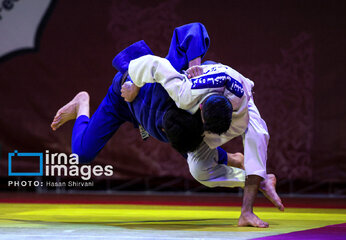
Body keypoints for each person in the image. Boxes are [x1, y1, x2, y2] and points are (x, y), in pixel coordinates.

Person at [51, 23, 283, 228]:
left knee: (200, 167)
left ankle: (242, 167)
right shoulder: (187, 88)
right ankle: (82, 103)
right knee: (81, 155)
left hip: (161, 119)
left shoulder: (247, 115)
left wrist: (248, 208)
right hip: (125, 96)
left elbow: (258, 148)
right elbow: (163, 54)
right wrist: (135, 82)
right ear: (200, 107)